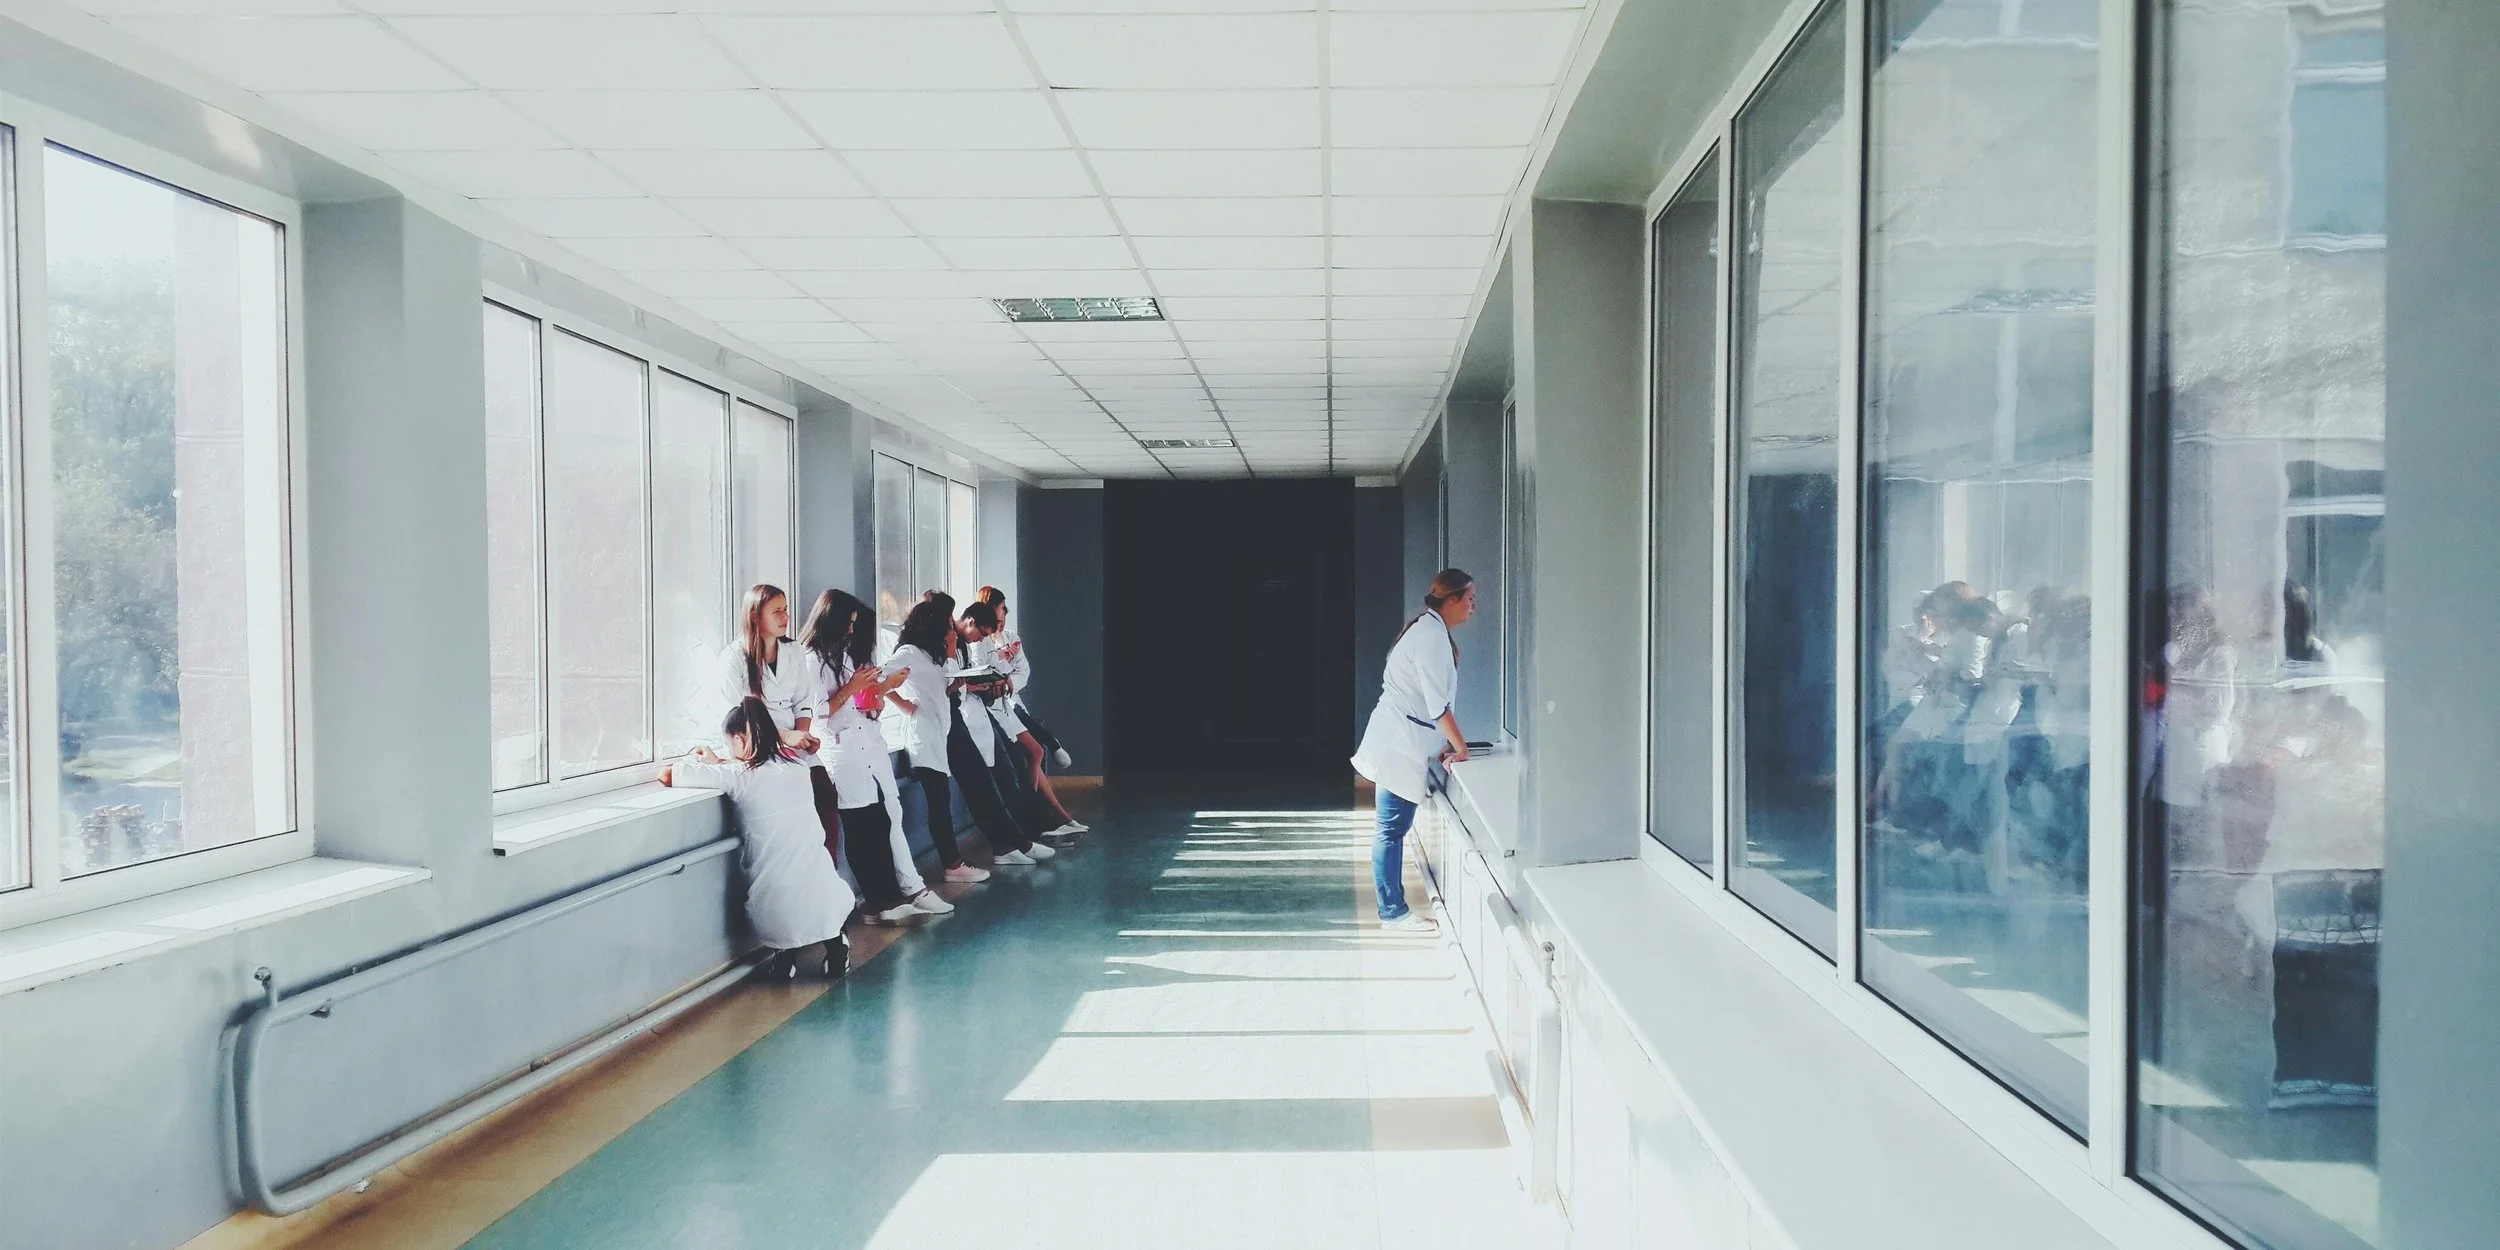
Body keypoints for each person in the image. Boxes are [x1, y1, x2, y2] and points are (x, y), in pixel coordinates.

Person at [715, 585, 916, 927]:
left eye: (786, 609)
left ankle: (829, 894)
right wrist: (790, 735)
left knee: (827, 800)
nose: (786, 617)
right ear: (754, 616)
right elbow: (744, 716)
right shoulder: (734, 658)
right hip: (757, 747)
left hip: (798, 744)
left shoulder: (791, 652)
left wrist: (802, 733)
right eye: (777, 611)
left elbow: (804, 703)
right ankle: (807, 903)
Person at [660, 697, 856, 979]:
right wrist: (725, 761)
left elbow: (667, 775)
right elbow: (762, 767)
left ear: (739, 740)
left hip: (772, 915)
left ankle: (783, 957)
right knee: (823, 891)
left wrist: (713, 763)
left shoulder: (736, 776)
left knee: (778, 903)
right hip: (826, 901)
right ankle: (836, 947)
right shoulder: (798, 768)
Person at [796, 590, 954, 917]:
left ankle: (891, 896)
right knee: (859, 826)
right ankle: (877, 902)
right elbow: (818, 713)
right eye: (848, 624)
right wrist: (855, 689)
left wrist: (876, 696)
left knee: (879, 822)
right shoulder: (810, 660)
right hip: (841, 753)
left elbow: (859, 705)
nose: (852, 632)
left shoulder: (842, 657)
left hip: (865, 745)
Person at [1351, 568, 1476, 934]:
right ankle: (1392, 913)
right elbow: (1438, 706)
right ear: (1451, 600)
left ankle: (1393, 909)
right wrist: (1461, 748)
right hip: (1397, 745)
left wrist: (1445, 744)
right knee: (1390, 830)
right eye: (1469, 599)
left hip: (1400, 740)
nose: (1473, 607)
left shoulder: (1428, 630)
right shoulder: (1432, 638)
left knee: (1391, 829)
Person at [880, 599, 992, 883]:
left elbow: (946, 683)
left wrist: (953, 677)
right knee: (939, 802)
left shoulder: (932, 655)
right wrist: (903, 703)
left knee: (941, 798)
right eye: (946, 625)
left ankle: (952, 862)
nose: (950, 630)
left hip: (937, 733)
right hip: (922, 736)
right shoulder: (909, 652)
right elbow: (878, 678)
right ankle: (952, 864)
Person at [960, 599, 1083, 838]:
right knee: (1020, 761)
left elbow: (1019, 671)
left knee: (1032, 755)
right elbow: (970, 677)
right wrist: (996, 675)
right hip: (991, 710)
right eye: (999, 612)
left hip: (1003, 703)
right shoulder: (969, 643)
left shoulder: (995, 638)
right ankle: (1042, 821)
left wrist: (1003, 673)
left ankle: (1050, 818)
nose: (1003, 617)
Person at [970, 586, 1074, 771]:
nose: (1001, 624)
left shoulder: (1011, 637)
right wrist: (1003, 662)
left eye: (1003, 619)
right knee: (1027, 752)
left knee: (1033, 749)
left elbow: (1023, 672)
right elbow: (982, 671)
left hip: (1009, 698)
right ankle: (1051, 744)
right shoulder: (978, 642)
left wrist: (1008, 681)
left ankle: (1051, 746)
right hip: (992, 704)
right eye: (1000, 615)